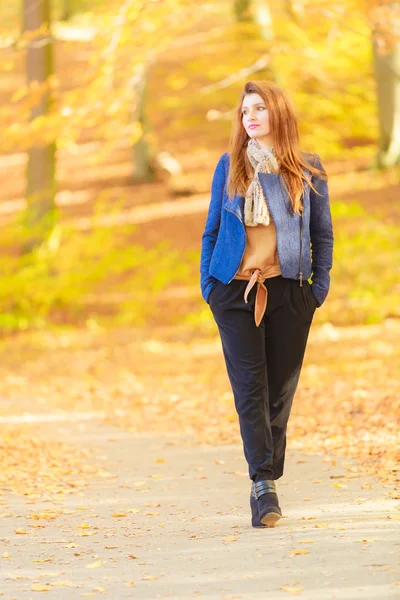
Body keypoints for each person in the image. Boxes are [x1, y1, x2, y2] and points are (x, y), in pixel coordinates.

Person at [200, 80, 334, 528]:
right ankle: (263, 485)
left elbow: (322, 235)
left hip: (290, 292)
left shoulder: (308, 169)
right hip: (235, 291)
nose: (250, 117)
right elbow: (212, 230)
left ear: (278, 112)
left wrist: (317, 289)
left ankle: (268, 470)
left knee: (279, 390)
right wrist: (209, 284)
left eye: (258, 108)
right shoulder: (230, 165)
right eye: (244, 112)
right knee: (250, 388)